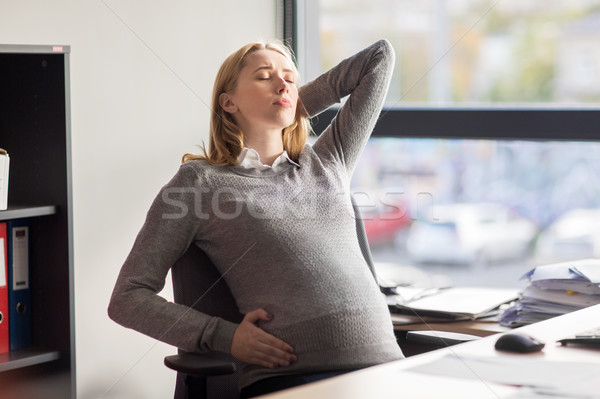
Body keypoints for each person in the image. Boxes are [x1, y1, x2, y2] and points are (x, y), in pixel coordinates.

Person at [108, 38, 403, 398]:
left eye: (290, 78)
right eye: (264, 77)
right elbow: (126, 298)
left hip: (388, 369)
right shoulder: (200, 182)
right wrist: (224, 336)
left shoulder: (328, 160)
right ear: (228, 102)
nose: (282, 84)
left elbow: (379, 58)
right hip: (295, 378)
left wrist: (290, 102)